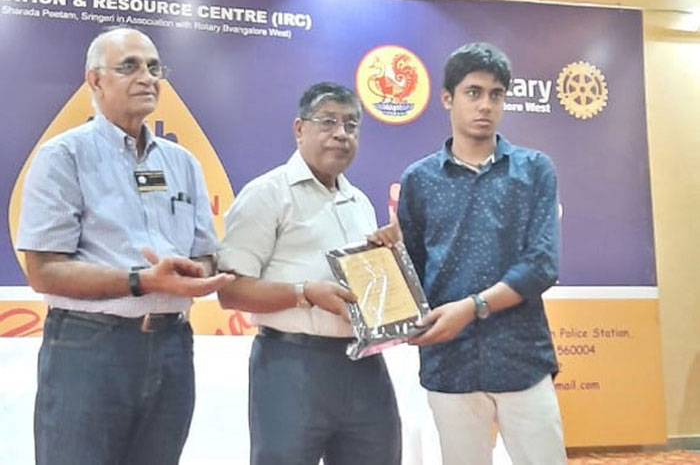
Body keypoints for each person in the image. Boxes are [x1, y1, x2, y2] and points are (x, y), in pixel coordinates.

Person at [16, 27, 234, 465]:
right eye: (130, 66)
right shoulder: (63, 156)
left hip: (173, 346)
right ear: (95, 80)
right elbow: (45, 270)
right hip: (90, 346)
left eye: (154, 67)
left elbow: (205, 252)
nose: (147, 77)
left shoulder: (183, 163)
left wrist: (197, 272)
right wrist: (143, 280)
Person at [397, 42, 567, 464]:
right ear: (447, 98)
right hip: (449, 360)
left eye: (496, 94)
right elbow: (412, 273)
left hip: (521, 356)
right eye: (473, 92)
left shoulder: (534, 170)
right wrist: (383, 261)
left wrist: (472, 307)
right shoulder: (418, 180)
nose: (485, 105)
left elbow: (542, 265)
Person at [217, 82, 401, 465]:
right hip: (290, 364)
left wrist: (388, 266)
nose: (341, 133)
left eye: (351, 125)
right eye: (328, 122)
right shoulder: (267, 194)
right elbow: (230, 291)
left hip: (363, 365)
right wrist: (305, 293)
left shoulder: (359, 202)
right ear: (299, 129)